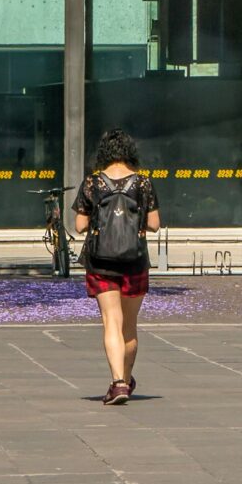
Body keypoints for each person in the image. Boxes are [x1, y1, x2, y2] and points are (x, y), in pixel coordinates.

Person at [75, 128, 161, 404]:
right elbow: (154, 224)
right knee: (130, 326)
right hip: (134, 260)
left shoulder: (93, 183)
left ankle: (118, 382)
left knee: (111, 321)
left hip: (101, 260)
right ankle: (125, 378)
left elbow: (79, 226)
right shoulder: (143, 184)